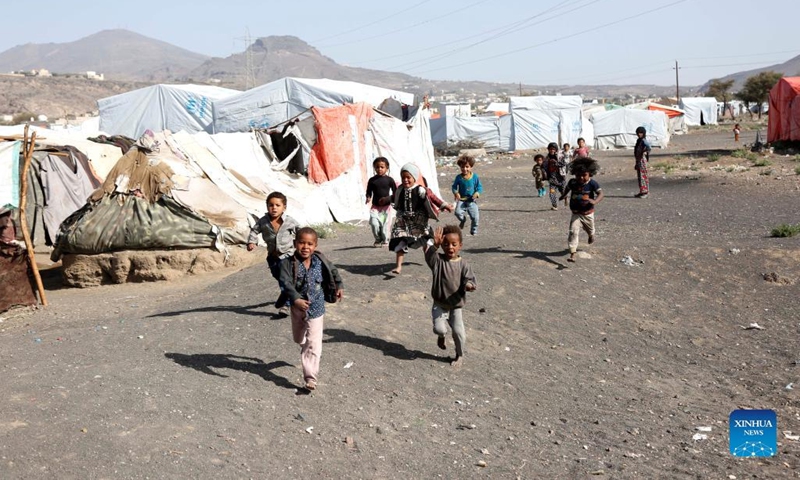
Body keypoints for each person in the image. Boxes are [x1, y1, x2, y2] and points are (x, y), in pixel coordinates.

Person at [278, 227, 344, 391]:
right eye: (301, 243)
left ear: (315, 245)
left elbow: (333, 270)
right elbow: (285, 283)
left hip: (317, 307)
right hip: (297, 307)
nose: (305, 247)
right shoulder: (287, 263)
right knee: (298, 338)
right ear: (295, 243)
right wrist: (296, 299)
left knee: (314, 344)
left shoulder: (320, 260)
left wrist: (339, 285)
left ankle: (310, 377)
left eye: (310, 243)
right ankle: (304, 344)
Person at [426, 225, 477, 367]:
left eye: (454, 244)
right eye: (446, 244)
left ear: (460, 245)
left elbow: (471, 280)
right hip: (440, 303)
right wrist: (433, 247)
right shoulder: (438, 262)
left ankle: (459, 355)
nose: (450, 247)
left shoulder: (464, 265)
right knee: (439, 329)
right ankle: (441, 337)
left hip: (456, 306)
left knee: (459, 333)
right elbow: (429, 257)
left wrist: (469, 286)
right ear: (442, 245)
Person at [389, 163, 449, 275]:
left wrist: (444, 205)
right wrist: (385, 199)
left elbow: (433, 198)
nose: (405, 180)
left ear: (414, 178)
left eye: (408, 177)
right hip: (404, 221)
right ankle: (398, 266)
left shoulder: (421, 190)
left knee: (425, 242)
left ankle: (434, 262)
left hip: (419, 221)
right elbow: (393, 198)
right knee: (400, 241)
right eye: (403, 177)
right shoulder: (400, 190)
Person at [247, 192, 301, 316]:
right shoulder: (263, 221)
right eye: (271, 205)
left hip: (287, 256)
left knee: (285, 279)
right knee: (279, 277)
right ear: (267, 207)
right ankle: (284, 294)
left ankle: (287, 305)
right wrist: (251, 242)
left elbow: (300, 231)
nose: (274, 208)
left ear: (284, 207)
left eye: (278, 205)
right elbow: (254, 231)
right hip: (272, 256)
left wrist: (302, 244)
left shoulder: (289, 221)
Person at [559, 157, 604, 263]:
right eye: (578, 175)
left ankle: (591, 235)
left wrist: (594, 201)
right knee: (573, 231)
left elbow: (601, 193)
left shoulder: (592, 183)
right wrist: (564, 195)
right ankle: (572, 253)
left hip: (588, 213)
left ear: (590, 174)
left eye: (584, 175)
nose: (581, 177)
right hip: (576, 213)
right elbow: (568, 188)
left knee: (590, 229)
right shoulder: (573, 182)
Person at [365, 157, 396, 247]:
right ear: (374, 168)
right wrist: (368, 197)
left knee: (385, 226)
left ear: (387, 168)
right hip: (375, 207)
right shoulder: (372, 180)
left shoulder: (390, 180)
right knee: (374, 224)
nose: (379, 169)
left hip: (386, 208)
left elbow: (395, 192)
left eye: (382, 167)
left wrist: (393, 200)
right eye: (377, 167)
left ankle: (385, 240)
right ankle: (378, 239)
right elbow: (368, 191)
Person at [452, 155, 483, 236]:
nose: (464, 169)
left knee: (475, 217)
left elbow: (479, 187)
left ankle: (474, 230)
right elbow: (454, 187)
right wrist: (456, 193)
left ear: (471, 167)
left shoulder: (474, 177)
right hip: (462, 200)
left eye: (467, 167)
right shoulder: (458, 177)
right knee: (457, 213)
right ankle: (463, 220)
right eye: (462, 167)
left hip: (471, 201)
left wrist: (477, 193)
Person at [542, 142, 566, 210]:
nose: (552, 150)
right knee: (552, 193)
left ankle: (565, 198)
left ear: (556, 149)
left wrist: (557, 163)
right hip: (552, 179)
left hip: (561, 178)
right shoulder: (547, 158)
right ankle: (554, 205)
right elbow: (544, 167)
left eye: (553, 149)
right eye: (550, 149)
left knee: (563, 192)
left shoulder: (560, 156)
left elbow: (564, 164)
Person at [633, 126, 651, 198]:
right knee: (639, 176)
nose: (639, 134)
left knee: (643, 175)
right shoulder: (639, 140)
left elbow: (649, 147)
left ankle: (645, 192)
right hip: (638, 160)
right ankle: (641, 191)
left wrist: (645, 152)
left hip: (642, 160)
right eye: (638, 133)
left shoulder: (644, 140)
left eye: (641, 133)